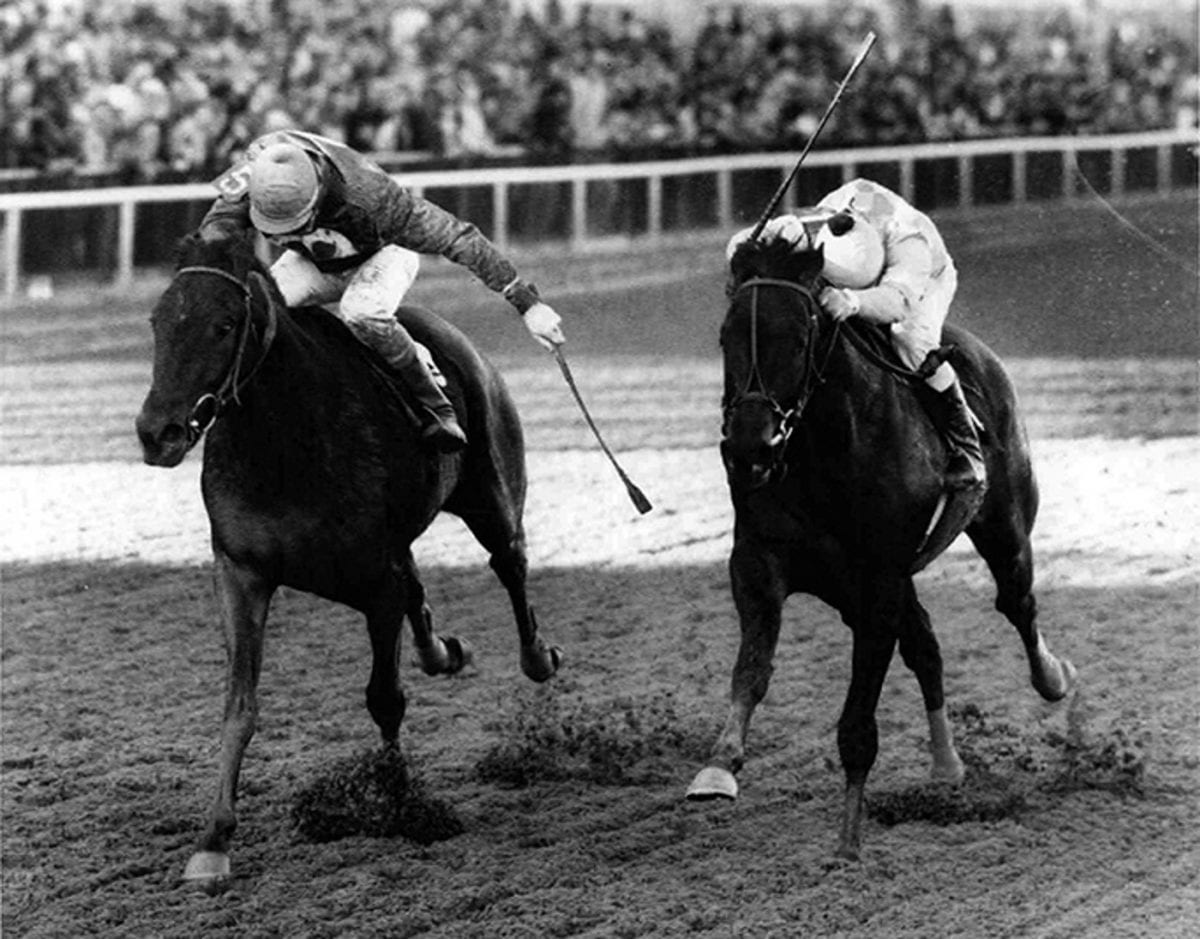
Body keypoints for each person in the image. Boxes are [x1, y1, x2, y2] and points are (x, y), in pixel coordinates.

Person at [198, 129, 565, 452]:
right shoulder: (258, 165)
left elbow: (458, 238)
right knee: (255, 311)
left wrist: (528, 305)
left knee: (362, 312)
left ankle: (434, 402)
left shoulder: (373, 198)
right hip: (314, 261)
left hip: (383, 255)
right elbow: (218, 224)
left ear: (319, 195)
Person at [727, 177, 985, 494]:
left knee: (911, 343)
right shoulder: (803, 229)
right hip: (845, 250)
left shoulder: (910, 247)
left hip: (926, 281)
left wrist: (853, 301)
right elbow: (752, 248)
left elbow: (898, 303)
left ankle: (965, 444)